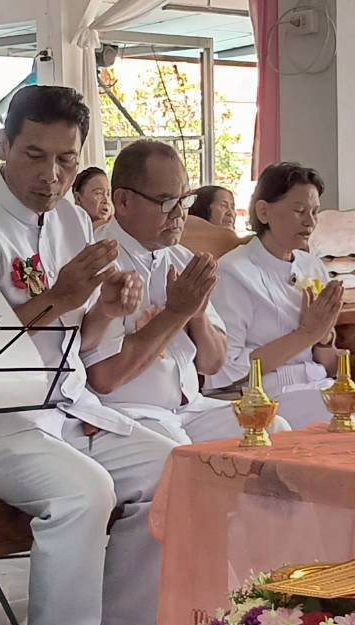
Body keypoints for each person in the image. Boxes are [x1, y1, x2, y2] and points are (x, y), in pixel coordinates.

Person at [0, 85, 179, 625]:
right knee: (85, 490)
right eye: (35, 155)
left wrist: (107, 311)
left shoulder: (69, 220)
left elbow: (75, 342)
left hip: (65, 407)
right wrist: (58, 297)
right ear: (5, 145)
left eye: (66, 159)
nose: (51, 175)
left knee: (174, 467)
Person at [86, 141, 290, 443]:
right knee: (179, 454)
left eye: (185, 199)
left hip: (190, 408)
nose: (180, 213)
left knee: (274, 429)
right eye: (167, 201)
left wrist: (196, 315)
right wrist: (176, 312)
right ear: (124, 201)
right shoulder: (99, 262)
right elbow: (105, 379)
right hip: (127, 414)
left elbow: (213, 362)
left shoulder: (182, 259)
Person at [208, 162, 355, 426]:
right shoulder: (234, 273)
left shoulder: (311, 266)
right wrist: (306, 334)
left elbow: (328, 363)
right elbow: (227, 370)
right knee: (350, 413)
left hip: (318, 380)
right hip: (268, 393)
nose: (310, 222)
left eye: (315, 212)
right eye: (299, 211)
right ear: (263, 211)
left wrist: (324, 338)